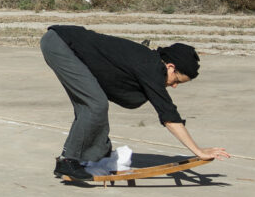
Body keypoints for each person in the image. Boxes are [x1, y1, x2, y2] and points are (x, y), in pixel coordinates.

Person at [40, 25, 228, 182]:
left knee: (92, 103)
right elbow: (169, 115)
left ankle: (96, 155)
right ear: (170, 67)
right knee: (95, 104)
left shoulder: (151, 63)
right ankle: (69, 161)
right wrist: (198, 150)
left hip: (61, 41)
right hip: (61, 44)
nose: (175, 86)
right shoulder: (152, 69)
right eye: (176, 80)